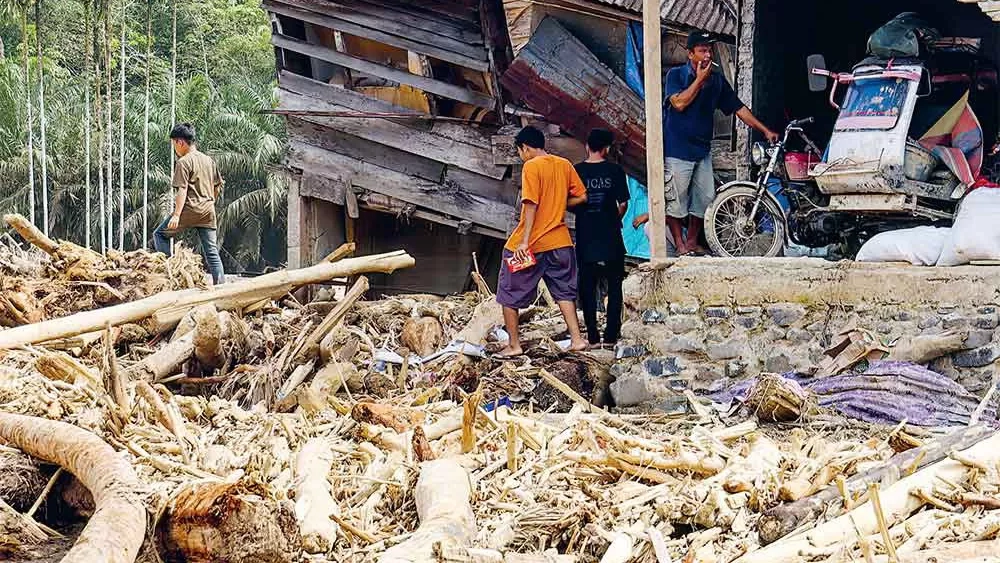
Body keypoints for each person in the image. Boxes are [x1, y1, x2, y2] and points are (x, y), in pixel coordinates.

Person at [659, 31, 778, 256]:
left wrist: (765, 130)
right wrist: (699, 80)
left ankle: (692, 242)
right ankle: (680, 244)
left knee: (704, 200)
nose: (708, 54)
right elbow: (679, 104)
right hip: (677, 150)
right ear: (690, 54)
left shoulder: (716, 81)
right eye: (702, 50)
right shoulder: (676, 75)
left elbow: (738, 108)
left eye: (709, 50)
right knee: (675, 200)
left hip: (702, 150)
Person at [497, 125, 589, 356]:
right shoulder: (564, 164)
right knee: (564, 291)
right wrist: (559, 205)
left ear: (525, 148)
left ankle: (514, 345)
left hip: (532, 244)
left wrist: (524, 241)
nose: (521, 156)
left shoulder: (532, 166)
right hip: (560, 242)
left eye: (520, 151)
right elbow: (582, 196)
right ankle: (577, 339)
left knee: (508, 290)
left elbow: (530, 204)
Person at [572, 129, 629, 347]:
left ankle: (593, 337)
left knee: (587, 287)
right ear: (606, 149)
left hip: (586, 237)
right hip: (611, 236)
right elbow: (623, 203)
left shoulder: (576, 170)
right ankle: (612, 336)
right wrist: (614, 218)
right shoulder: (615, 170)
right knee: (615, 287)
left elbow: (571, 201)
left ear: (587, 146)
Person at [154, 123, 226, 285]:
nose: (174, 149)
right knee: (212, 252)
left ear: (180, 142)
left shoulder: (183, 162)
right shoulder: (208, 160)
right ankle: (221, 285)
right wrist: (210, 202)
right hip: (208, 211)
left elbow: (182, 189)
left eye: (174, 144)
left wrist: (177, 215)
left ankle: (169, 274)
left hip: (189, 209)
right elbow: (218, 185)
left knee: (159, 235)